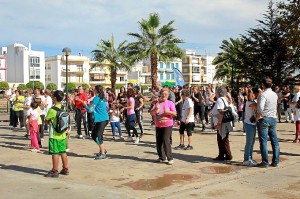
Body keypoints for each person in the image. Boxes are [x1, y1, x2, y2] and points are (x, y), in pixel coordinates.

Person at [44, 90, 69, 177]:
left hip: (54, 134)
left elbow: (46, 120)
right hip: (62, 133)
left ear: (55, 98)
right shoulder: (64, 107)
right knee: (63, 151)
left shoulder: (52, 110)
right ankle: (65, 168)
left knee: (55, 152)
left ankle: (55, 170)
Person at [257, 77, 280, 167]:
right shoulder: (275, 94)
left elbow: (260, 107)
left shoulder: (263, 95)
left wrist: (262, 114)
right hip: (273, 118)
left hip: (265, 118)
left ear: (263, 85)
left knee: (263, 141)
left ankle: (265, 162)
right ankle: (275, 161)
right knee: (274, 141)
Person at [150, 88, 177, 165]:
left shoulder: (170, 103)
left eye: (166, 94)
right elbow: (151, 113)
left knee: (166, 140)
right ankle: (162, 157)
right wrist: (155, 110)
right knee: (159, 142)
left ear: (168, 95)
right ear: (160, 94)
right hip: (158, 125)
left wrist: (168, 112)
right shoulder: (156, 103)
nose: (164, 95)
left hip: (167, 125)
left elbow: (175, 113)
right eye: (163, 93)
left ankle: (170, 158)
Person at [86, 85, 109, 159]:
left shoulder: (97, 98)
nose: (93, 90)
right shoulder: (103, 98)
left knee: (98, 136)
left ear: (96, 90)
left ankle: (102, 153)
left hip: (102, 119)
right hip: (102, 119)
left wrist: (85, 105)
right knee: (93, 135)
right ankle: (102, 149)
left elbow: (90, 110)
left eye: (94, 89)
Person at [211, 86, 233, 161]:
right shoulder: (224, 99)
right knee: (223, 138)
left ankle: (225, 155)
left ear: (219, 92)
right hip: (224, 122)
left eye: (216, 91)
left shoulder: (220, 100)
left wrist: (219, 123)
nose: (215, 93)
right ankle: (225, 154)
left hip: (222, 122)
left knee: (222, 139)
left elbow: (221, 112)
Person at [243, 90, 258, 166]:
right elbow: (257, 106)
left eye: (253, 95)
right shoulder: (249, 103)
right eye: (250, 96)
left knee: (252, 142)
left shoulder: (254, 102)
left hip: (253, 123)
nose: (252, 97)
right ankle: (246, 159)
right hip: (249, 123)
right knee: (249, 142)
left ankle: (250, 158)